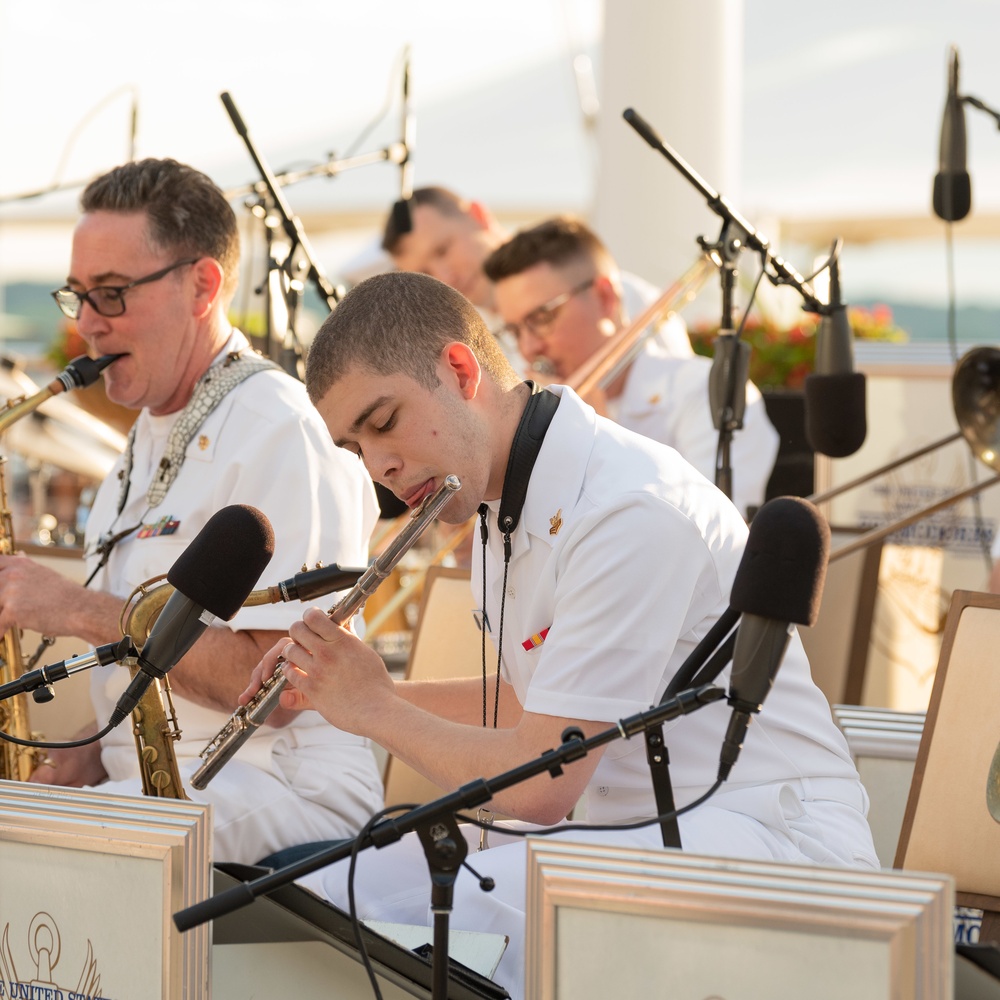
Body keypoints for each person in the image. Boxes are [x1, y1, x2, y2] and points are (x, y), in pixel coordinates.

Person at [241, 271, 879, 1000]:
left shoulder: (628, 508)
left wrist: (371, 709)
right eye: (354, 447)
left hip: (764, 842)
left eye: (383, 422)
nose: (379, 467)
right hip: (632, 833)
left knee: (410, 919)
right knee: (320, 896)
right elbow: (538, 702)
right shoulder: (492, 501)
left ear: (459, 370)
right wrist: (344, 691)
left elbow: (543, 778)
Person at [0, 158, 384, 866]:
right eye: (77, 296)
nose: (86, 322)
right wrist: (82, 762)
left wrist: (82, 610)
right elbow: (148, 678)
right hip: (179, 783)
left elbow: (283, 691)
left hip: (283, 787)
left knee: (31, 852)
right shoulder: (142, 437)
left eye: (111, 295)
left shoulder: (278, 430)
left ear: (202, 285)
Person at [484, 216, 781, 520]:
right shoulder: (535, 407)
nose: (529, 348)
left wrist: (600, 441)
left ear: (605, 297)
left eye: (542, 319)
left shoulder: (706, 392)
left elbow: (709, 534)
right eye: (515, 331)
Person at [381, 185, 694, 361]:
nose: (445, 276)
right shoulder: (466, 349)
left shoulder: (625, 298)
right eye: (424, 272)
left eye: (443, 249)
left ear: (478, 216)